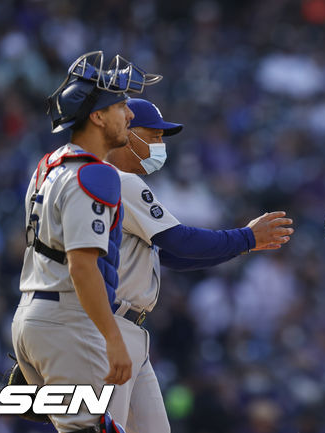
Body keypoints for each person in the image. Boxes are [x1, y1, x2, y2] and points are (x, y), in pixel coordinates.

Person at [103, 98, 294, 433]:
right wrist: (246, 238)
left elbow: (173, 257)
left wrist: (245, 245)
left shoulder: (122, 183)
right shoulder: (118, 180)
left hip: (129, 329)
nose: (160, 145)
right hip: (112, 328)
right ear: (127, 133)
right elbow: (181, 242)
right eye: (154, 135)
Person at [11, 51, 160, 433]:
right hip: (70, 321)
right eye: (121, 105)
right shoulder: (95, 175)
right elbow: (81, 265)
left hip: (36, 313)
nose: (129, 114)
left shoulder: (49, 165)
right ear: (97, 115)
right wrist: (113, 338)